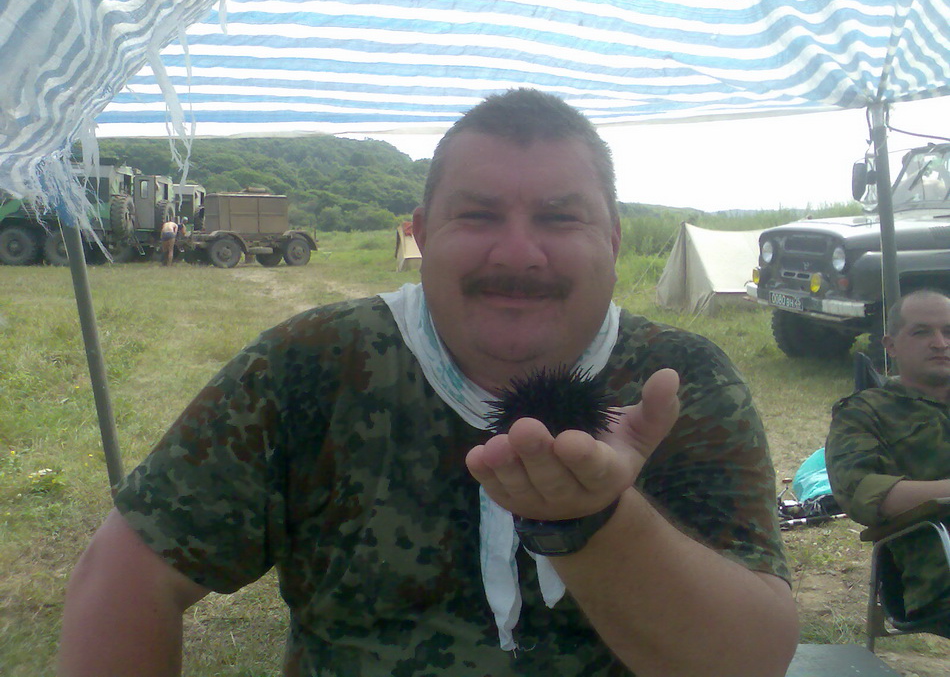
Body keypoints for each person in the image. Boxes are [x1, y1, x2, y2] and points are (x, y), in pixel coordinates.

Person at [58, 89, 797, 677]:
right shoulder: (313, 364)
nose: (518, 252)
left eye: (558, 218)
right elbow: (125, 575)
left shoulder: (679, 383)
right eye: (477, 215)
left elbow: (750, 658)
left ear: (611, 238)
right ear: (421, 232)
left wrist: (594, 521)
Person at [826, 289, 950, 625]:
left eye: (948, 331)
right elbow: (862, 491)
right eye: (922, 332)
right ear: (891, 345)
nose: (940, 343)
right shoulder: (865, 413)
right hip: (940, 573)